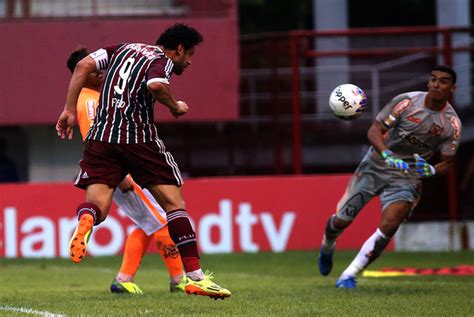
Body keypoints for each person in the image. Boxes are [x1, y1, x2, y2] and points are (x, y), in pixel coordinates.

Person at [56, 23, 231, 299]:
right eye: (190, 55)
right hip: (137, 139)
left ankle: (87, 218)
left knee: (98, 207)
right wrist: (175, 107)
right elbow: (156, 84)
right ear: (180, 49)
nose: (189, 61)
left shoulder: (120, 49)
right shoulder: (159, 60)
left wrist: (66, 109)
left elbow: (82, 67)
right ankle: (194, 276)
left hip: (101, 141)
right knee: (173, 205)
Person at [318, 65, 462, 288]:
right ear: (428, 82)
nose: (436, 84)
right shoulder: (406, 102)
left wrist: (432, 170)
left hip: (406, 177)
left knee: (391, 223)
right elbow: (373, 130)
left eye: (443, 81)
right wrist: (387, 153)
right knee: (341, 220)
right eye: (433, 79)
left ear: (452, 88)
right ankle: (328, 244)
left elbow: (448, 163)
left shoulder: (451, 125)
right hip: (375, 165)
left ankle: (349, 275)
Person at [66, 47, 186, 294]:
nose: (101, 73)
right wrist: (123, 174)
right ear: (83, 74)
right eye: (94, 71)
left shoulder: (97, 95)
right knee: (163, 220)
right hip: (118, 170)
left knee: (147, 223)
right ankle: (179, 279)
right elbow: (93, 137)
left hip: (114, 169)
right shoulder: (89, 100)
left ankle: (124, 279)